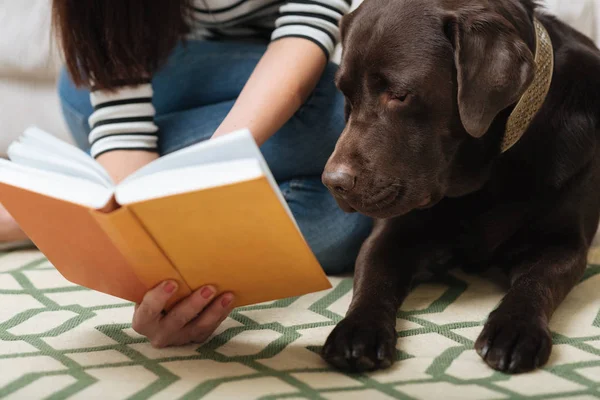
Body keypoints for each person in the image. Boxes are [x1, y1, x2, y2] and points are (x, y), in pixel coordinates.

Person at [0, 0, 372, 348]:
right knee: (334, 119)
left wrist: (209, 175)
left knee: (345, 225)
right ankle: (71, 205)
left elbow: (306, 26)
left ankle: (53, 207)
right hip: (124, 89)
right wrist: (162, 277)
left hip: (278, 82)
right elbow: (122, 123)